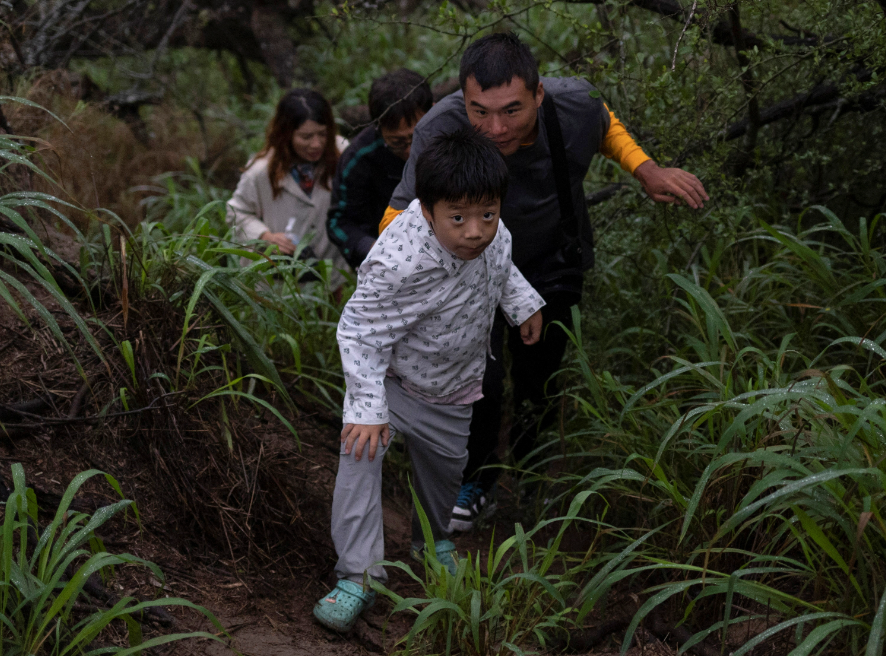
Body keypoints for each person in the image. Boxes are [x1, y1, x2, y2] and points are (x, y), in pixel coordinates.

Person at [381, 33, 707, 531]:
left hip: (553, 258)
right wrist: (389, 282)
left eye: (511, 110)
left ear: (538, 94)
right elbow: (400, 211)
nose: (495, 128)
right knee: (479, 380)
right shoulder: (441, 128)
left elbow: (605, 123)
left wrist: (645, 169)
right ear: (462, 100)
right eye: (480, 111)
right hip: (468, 271)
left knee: (540, 379)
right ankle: (477, 481)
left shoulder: (573, 103)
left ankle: (531, 478)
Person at [315, 127, 543, 633]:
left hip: (454, 388)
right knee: (359, 458)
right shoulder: (398, 261)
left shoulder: (494, 234)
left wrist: (522, 304)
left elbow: (502, 267)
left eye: (487, 213)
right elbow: (359, 332)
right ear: (426, 209)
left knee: (443, 477)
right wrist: (370, 410)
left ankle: (432, 540)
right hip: (392, 385)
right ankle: (357, 576)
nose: (475, 231)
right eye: (457, 218)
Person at [227, 88, 349, 290]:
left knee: (328, 319)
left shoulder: (340, 153)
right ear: (286, 134)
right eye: (306, 137)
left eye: (322, 134)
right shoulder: (261, 172)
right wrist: (265, 236)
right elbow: (235, 213)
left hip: (328, 269)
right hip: (275, 281)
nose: (316, 144)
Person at [327, 68, 433, 268]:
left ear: (433, 111)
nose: (411, 151)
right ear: (378, 127)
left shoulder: (454, 133)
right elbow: (340, 223)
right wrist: (374, 249)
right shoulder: (359, 158)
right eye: (398, 142)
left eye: (418, 137)